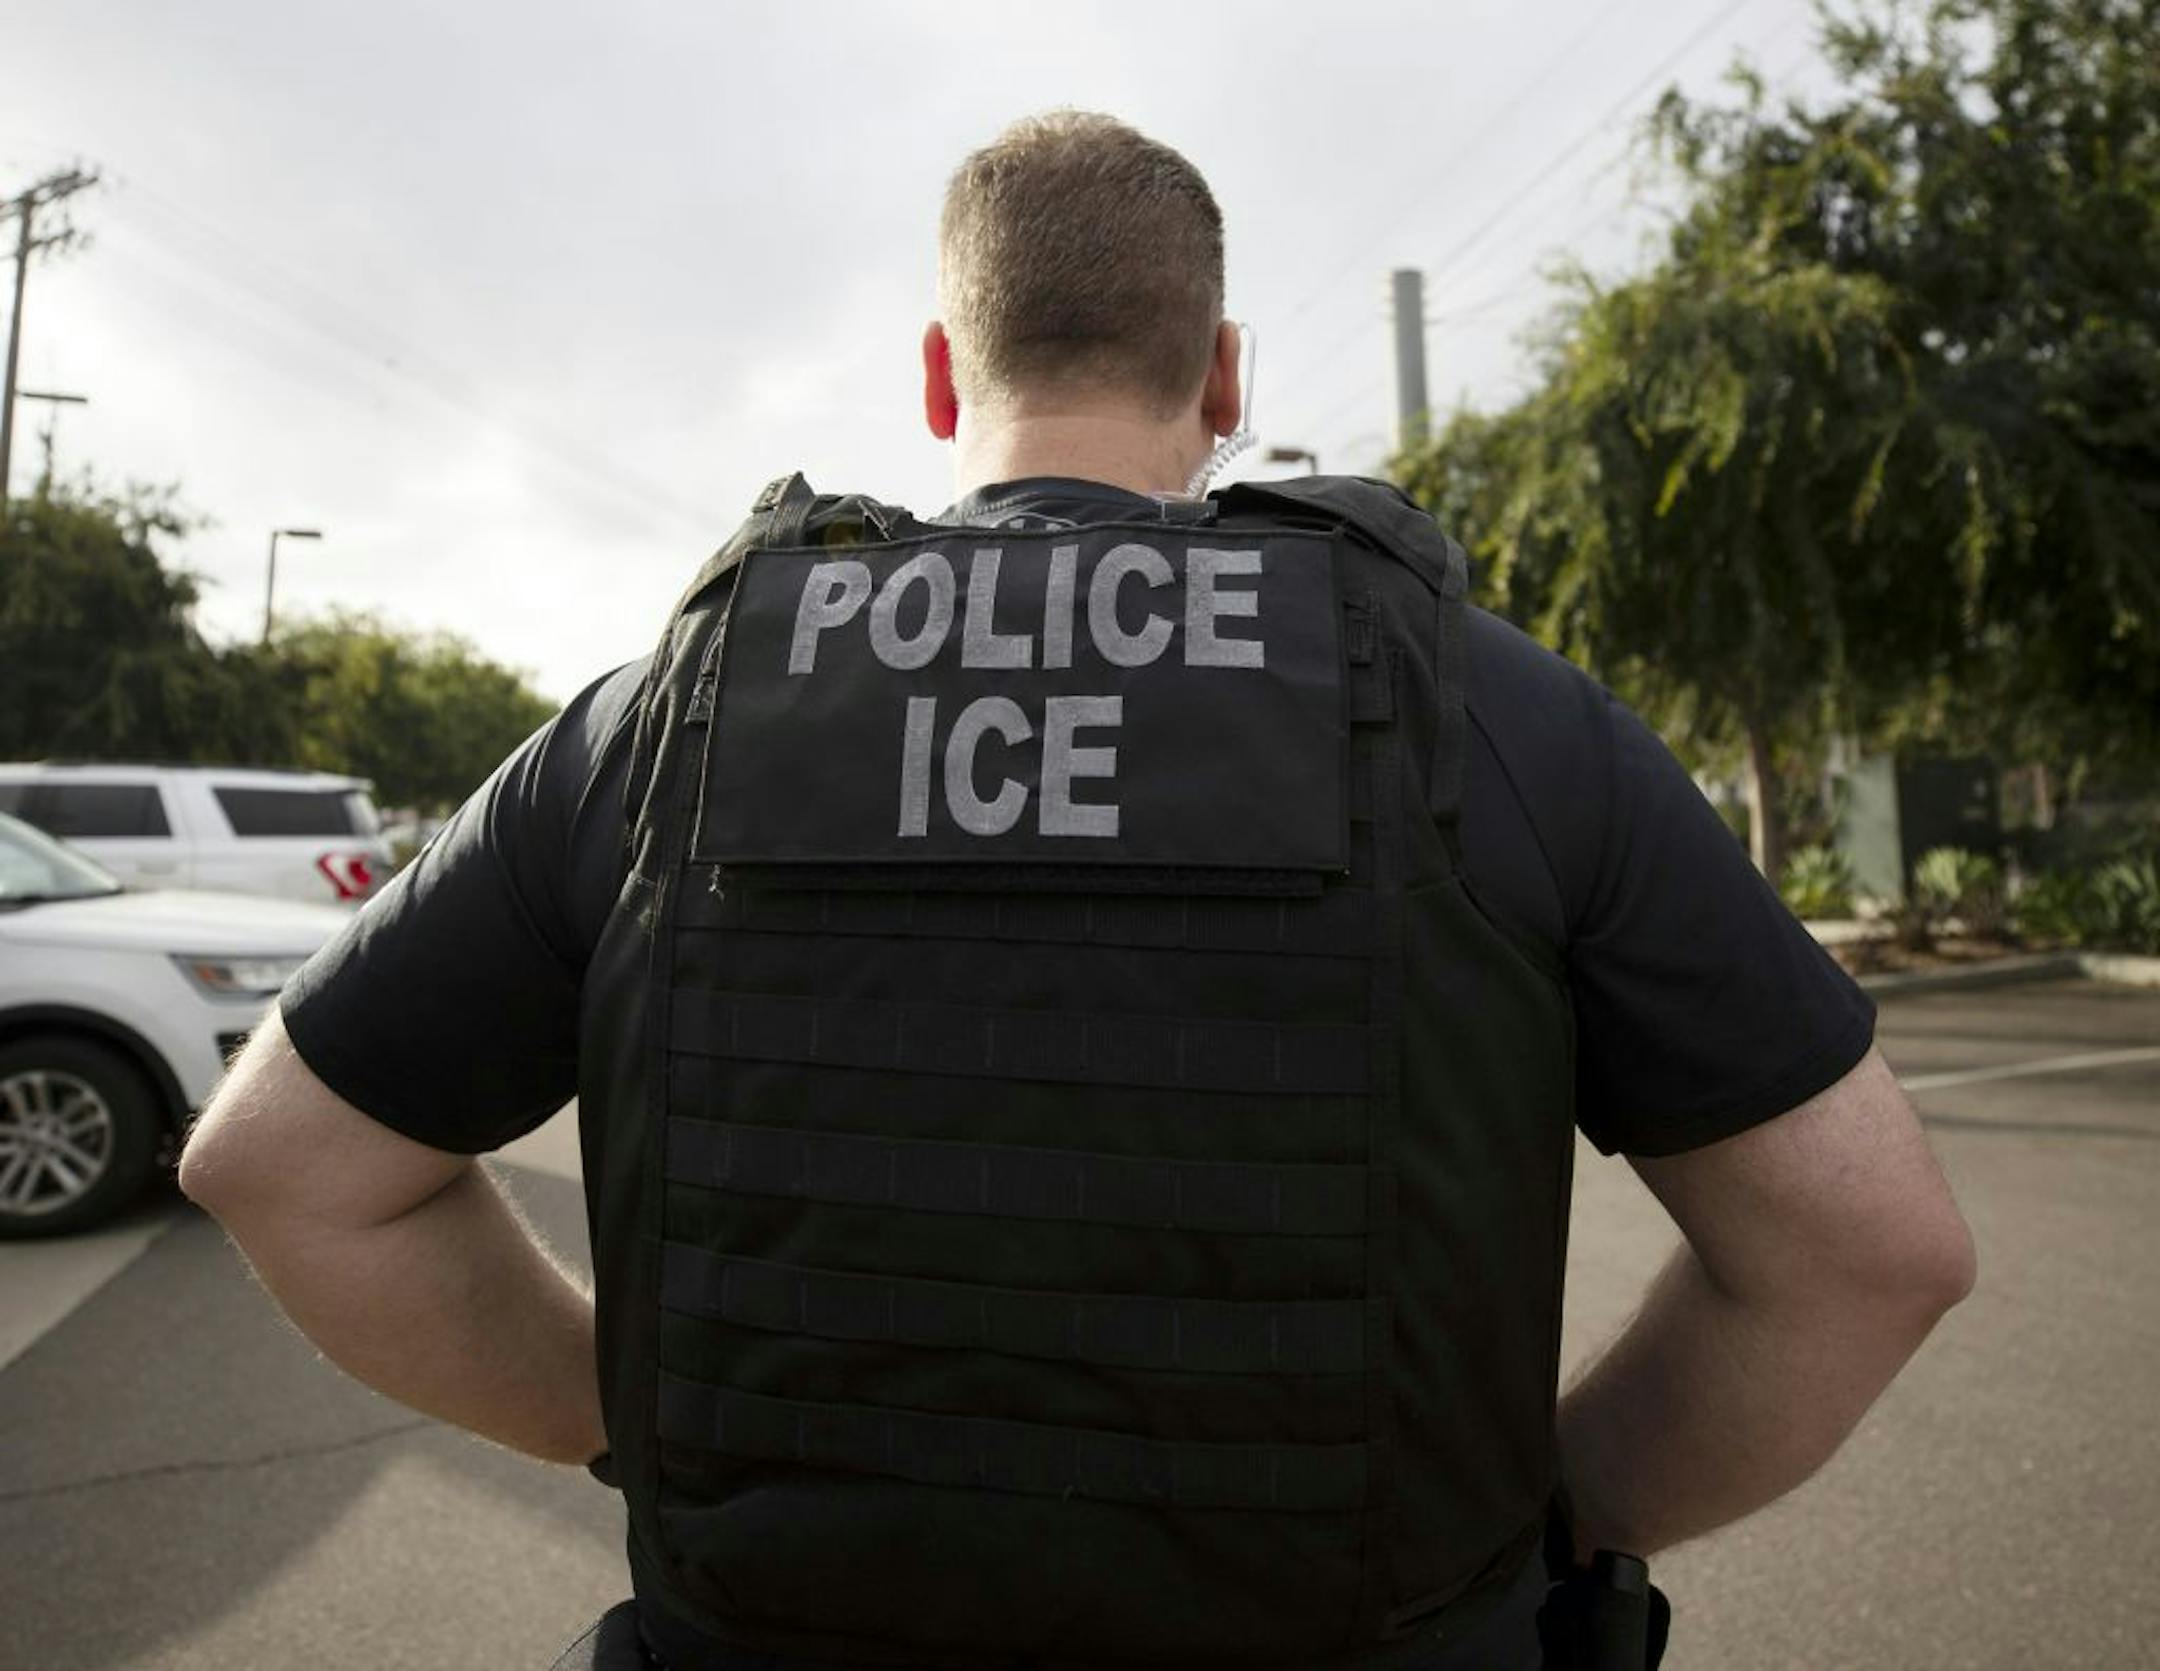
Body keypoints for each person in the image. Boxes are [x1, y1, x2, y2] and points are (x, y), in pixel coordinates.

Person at [180, 111, 1976, 1671]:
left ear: (945, 378)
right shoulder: (1489, 706)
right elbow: (1866, 1252)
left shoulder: (677, 715)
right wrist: (1559, 1512)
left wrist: (614, 1414)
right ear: (1224, 381)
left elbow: (281, 1170)